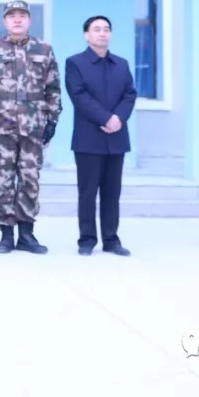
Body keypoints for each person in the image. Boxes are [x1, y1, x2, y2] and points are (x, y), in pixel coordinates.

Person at [0, 0, 61, 255]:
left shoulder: (44, 49)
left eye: (22, 15)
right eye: (11, 15)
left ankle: (26, 234)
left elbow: (53, 88)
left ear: (29, 20)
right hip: (2, 125)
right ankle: (5, 234)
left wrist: (52, 120)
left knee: (30, 179)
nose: (17, 19)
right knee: (3, 180)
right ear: (4, 21)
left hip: (34, 126)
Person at [64, 15, 138, 257]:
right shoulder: (75, 63)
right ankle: (86, 239)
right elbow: (79, 96)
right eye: (96, 29)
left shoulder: (121, 64)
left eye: (106, 29)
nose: (102, 33)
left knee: (112, 193)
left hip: (116, 137)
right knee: (87, 193)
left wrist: (118, 118)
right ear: (86, 35)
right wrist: (106, 118)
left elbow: (130, 94)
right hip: (89, 138)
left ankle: (111, 239)